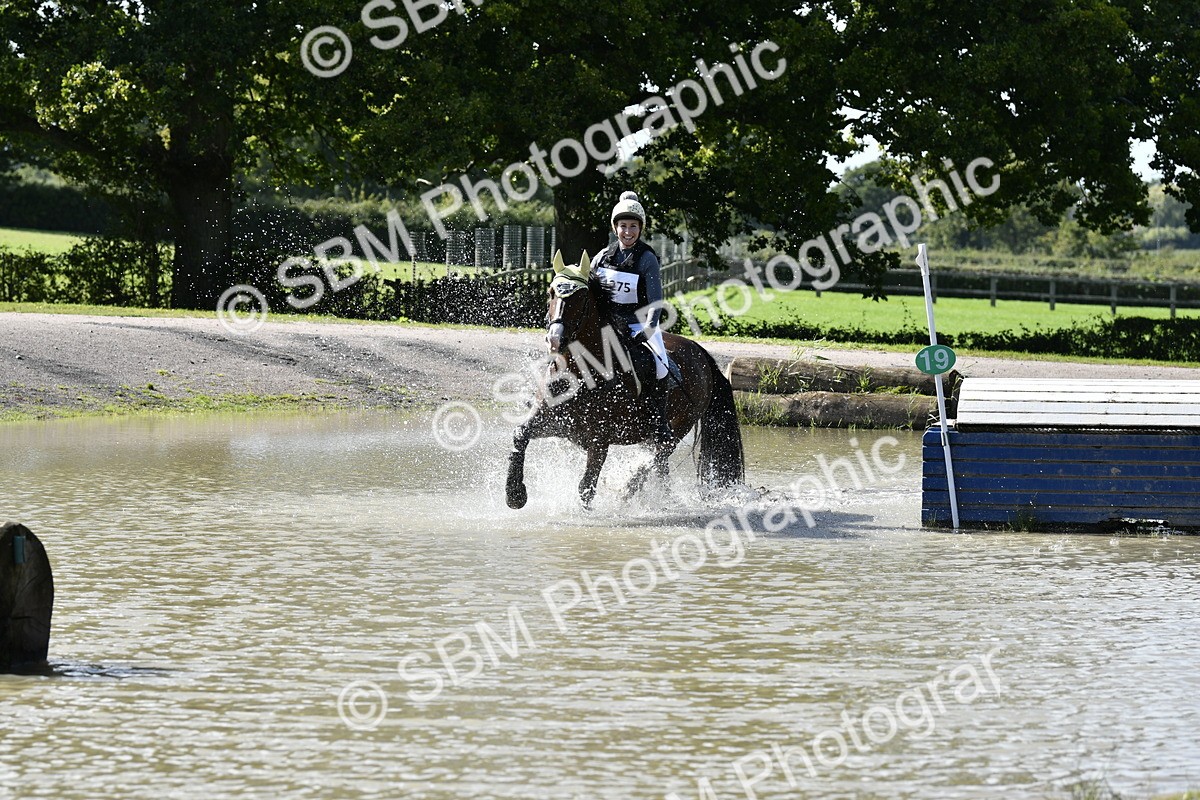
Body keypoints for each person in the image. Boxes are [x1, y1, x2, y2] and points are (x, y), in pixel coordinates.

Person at [590, 191, 674, 445]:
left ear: (640, 229)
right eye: (623, 226)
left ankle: (658, 421)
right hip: (608, 325)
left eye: (633, 226)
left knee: (661, 366)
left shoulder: (647, 259)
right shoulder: (603, 257)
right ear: (616, 228)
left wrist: (649, 328)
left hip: (638, 324)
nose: (628, 232)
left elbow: (656, 301)